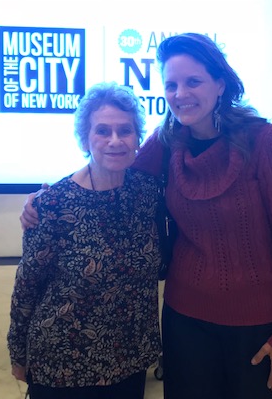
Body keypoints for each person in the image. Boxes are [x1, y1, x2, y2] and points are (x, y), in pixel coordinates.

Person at [22, 33, 272, 399]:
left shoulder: (264, 141)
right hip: (185, 320)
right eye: (171, 84)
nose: (180, 94)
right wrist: (49, 197)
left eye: (193, 82)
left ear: (220, 84)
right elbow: (111, 168)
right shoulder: (168, 139)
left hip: (254, 324)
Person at [8, 82, 161, 399]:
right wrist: (18, 352)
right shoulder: (53, 205)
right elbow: (27, 284)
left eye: (125, 130)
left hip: (128, 362)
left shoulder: (148, 192)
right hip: (62, 365)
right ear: (84, 138)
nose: (115, 141)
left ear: (138, 138)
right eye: (103, 131)